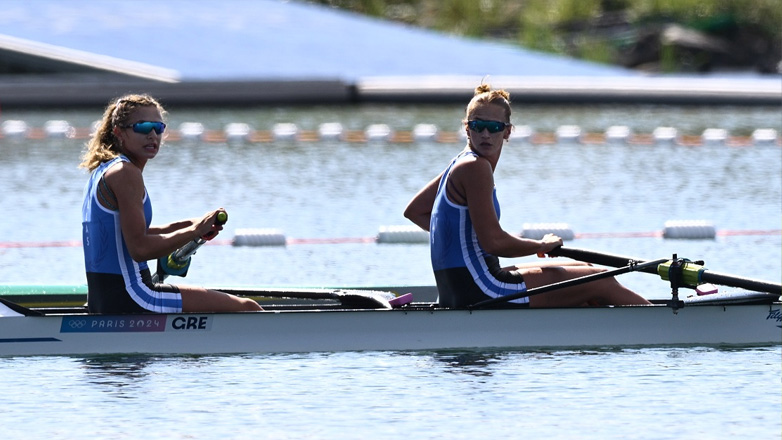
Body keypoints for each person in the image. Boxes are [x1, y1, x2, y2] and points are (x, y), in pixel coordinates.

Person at [404, 83, 651, 309]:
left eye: (494, 127)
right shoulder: (474, 168)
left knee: (587, 270)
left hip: (464, 287)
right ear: (467, 129)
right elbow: (494, 243)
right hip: (482, 290)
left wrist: (465, 242)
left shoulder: (459, 163)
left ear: (507, 132)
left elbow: (415, 211)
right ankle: (660, 321)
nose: (486, 135)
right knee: (601, 281)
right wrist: (540, 245)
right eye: (478, 126)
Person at [79, 94, 262, 314]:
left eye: (158, 127)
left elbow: (128, 233)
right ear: (119, 132)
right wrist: (195, 230)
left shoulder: (104, 169)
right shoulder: (126, 173)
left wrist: (192, 224)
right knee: (248, 308)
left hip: (103, 301)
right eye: (143, 127)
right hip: (135, 298)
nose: (152, 135)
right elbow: (139, 249)